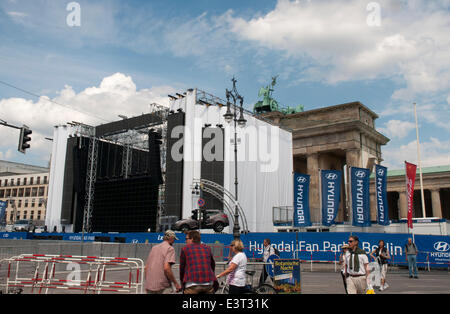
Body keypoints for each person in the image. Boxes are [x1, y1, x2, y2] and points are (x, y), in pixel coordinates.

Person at [144, 230, 182, 294]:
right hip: (163, 285)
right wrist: (176, 283)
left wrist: (147, 282)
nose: (174, 241)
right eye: (174, 239)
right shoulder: (170, 248)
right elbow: (166, 268)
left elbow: (146, 268)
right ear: (171, 238)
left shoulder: (154, 248)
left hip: (150, 285)